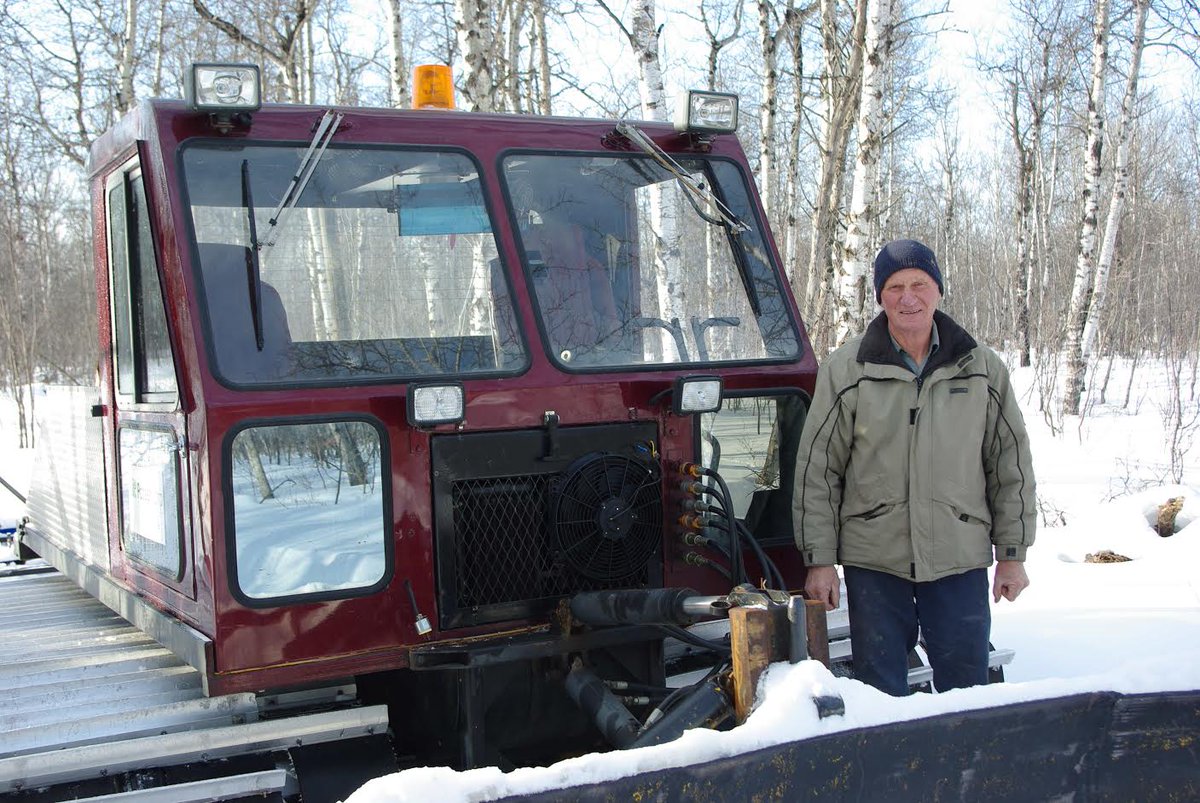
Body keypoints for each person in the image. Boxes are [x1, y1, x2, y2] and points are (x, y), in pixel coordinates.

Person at [793, 239, 1036, 696]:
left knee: (968, 689)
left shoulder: (981, 367)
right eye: (895, 287)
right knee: (880, 692)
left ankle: (966, 767)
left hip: (958, 558)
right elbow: (818, 470)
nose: (908, 298)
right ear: (880, 297)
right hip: (875, 562)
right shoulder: (848, 369)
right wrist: (820, 561)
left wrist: (1013, 554)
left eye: (919, 284)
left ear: (938, 290)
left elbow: (1011, 466)